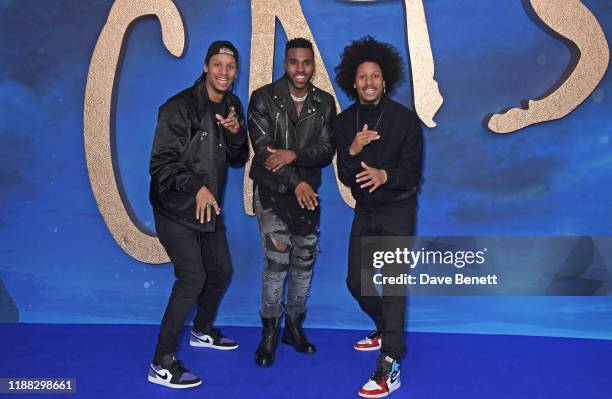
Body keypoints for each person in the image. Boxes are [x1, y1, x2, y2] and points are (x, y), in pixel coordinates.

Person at [147, 40, 247, 389]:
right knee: (192, 278)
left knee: (220, 271)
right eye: (217, 65)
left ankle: (202, 330)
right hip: (175, 206)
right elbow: (161, 165)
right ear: (206, 67)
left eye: (230, 66)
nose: (224, 72)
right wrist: (195, 186)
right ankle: (161, 362)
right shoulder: (179, 108)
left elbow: (236, 157)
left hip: (207, 206)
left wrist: (236, 134)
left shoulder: (232, 104)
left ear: (235, 72)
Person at [334, 36, 423, 398]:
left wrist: (387, 176)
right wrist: (353, 150)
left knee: (393, 289)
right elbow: (344, 173)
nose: (368, 82)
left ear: (385, 81)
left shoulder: (405, 120)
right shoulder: (344, 123)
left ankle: (390, 362)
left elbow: (413, 173)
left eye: (375, 76)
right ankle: (386, 329)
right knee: (357, 283)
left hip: (398, 211)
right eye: (362, 76)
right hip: (365, 211)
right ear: (352, 82)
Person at [247, 37, 335, 366]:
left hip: (307, 196)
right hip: (272, 192)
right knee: (276, 261)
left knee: (304, 261)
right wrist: (295, 180)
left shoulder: (324, 103)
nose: (300, 68)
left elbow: (327, 151)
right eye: (294, 62)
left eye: (306, 62)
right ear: (285, 64)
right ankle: (269, 332)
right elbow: (265, 152)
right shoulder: (263, 98)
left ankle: (294, 327)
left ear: (313, 66)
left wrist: (296, 155)